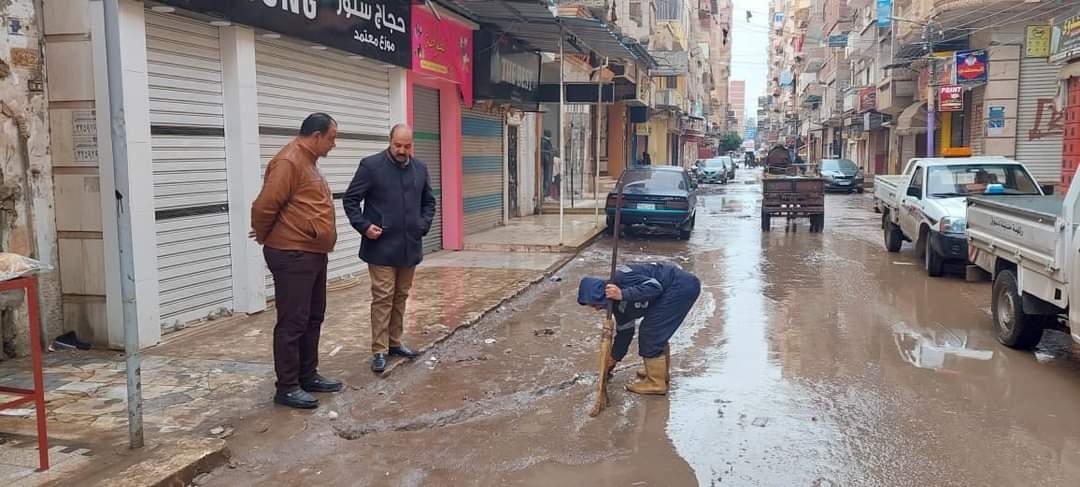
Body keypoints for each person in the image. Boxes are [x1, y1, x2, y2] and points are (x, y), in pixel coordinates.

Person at [250, 112, 343, 409]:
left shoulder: (308, 162)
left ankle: (307, 374)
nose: (334, 145)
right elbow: (264, 205)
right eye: (331, 138)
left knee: (313, 317)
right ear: (316, 136)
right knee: (293, 321)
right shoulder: (289, 161)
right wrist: (269, 236)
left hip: (311, 253)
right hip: (293, 255)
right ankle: (287, 386)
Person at [343, 124, 437, 373]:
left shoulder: (420, 168)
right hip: (381, 245)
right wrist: (364, 226)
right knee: (383, 296)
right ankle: (379, 349)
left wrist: (423, 224)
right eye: (398, 145)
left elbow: (429, 202)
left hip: (409, 245)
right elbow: (351, 199)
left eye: (407, 146)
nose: (402, 151)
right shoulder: (371, 166)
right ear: (390, 141)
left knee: (401, 296)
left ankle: (395, 342)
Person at [577, 261, 701, 395]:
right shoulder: (618, 307)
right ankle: (659, 373)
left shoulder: (622, 278)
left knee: (651, 332)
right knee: (656, 331)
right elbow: (625, 333)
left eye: (595, 304)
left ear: (601, 295)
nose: (596, 309)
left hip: (680, 286)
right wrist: (612, 360)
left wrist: (623, 294)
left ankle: (656, 383)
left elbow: (655, 287)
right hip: (673, 291)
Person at [541, 130, 554, 200]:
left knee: (549, 179)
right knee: (546, 179)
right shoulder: (544, 142)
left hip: (549, 163)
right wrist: (548, 159)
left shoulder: (547, 141)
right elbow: (544, 152)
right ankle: (546, 195)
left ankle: (547, 194)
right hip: (547, 164)